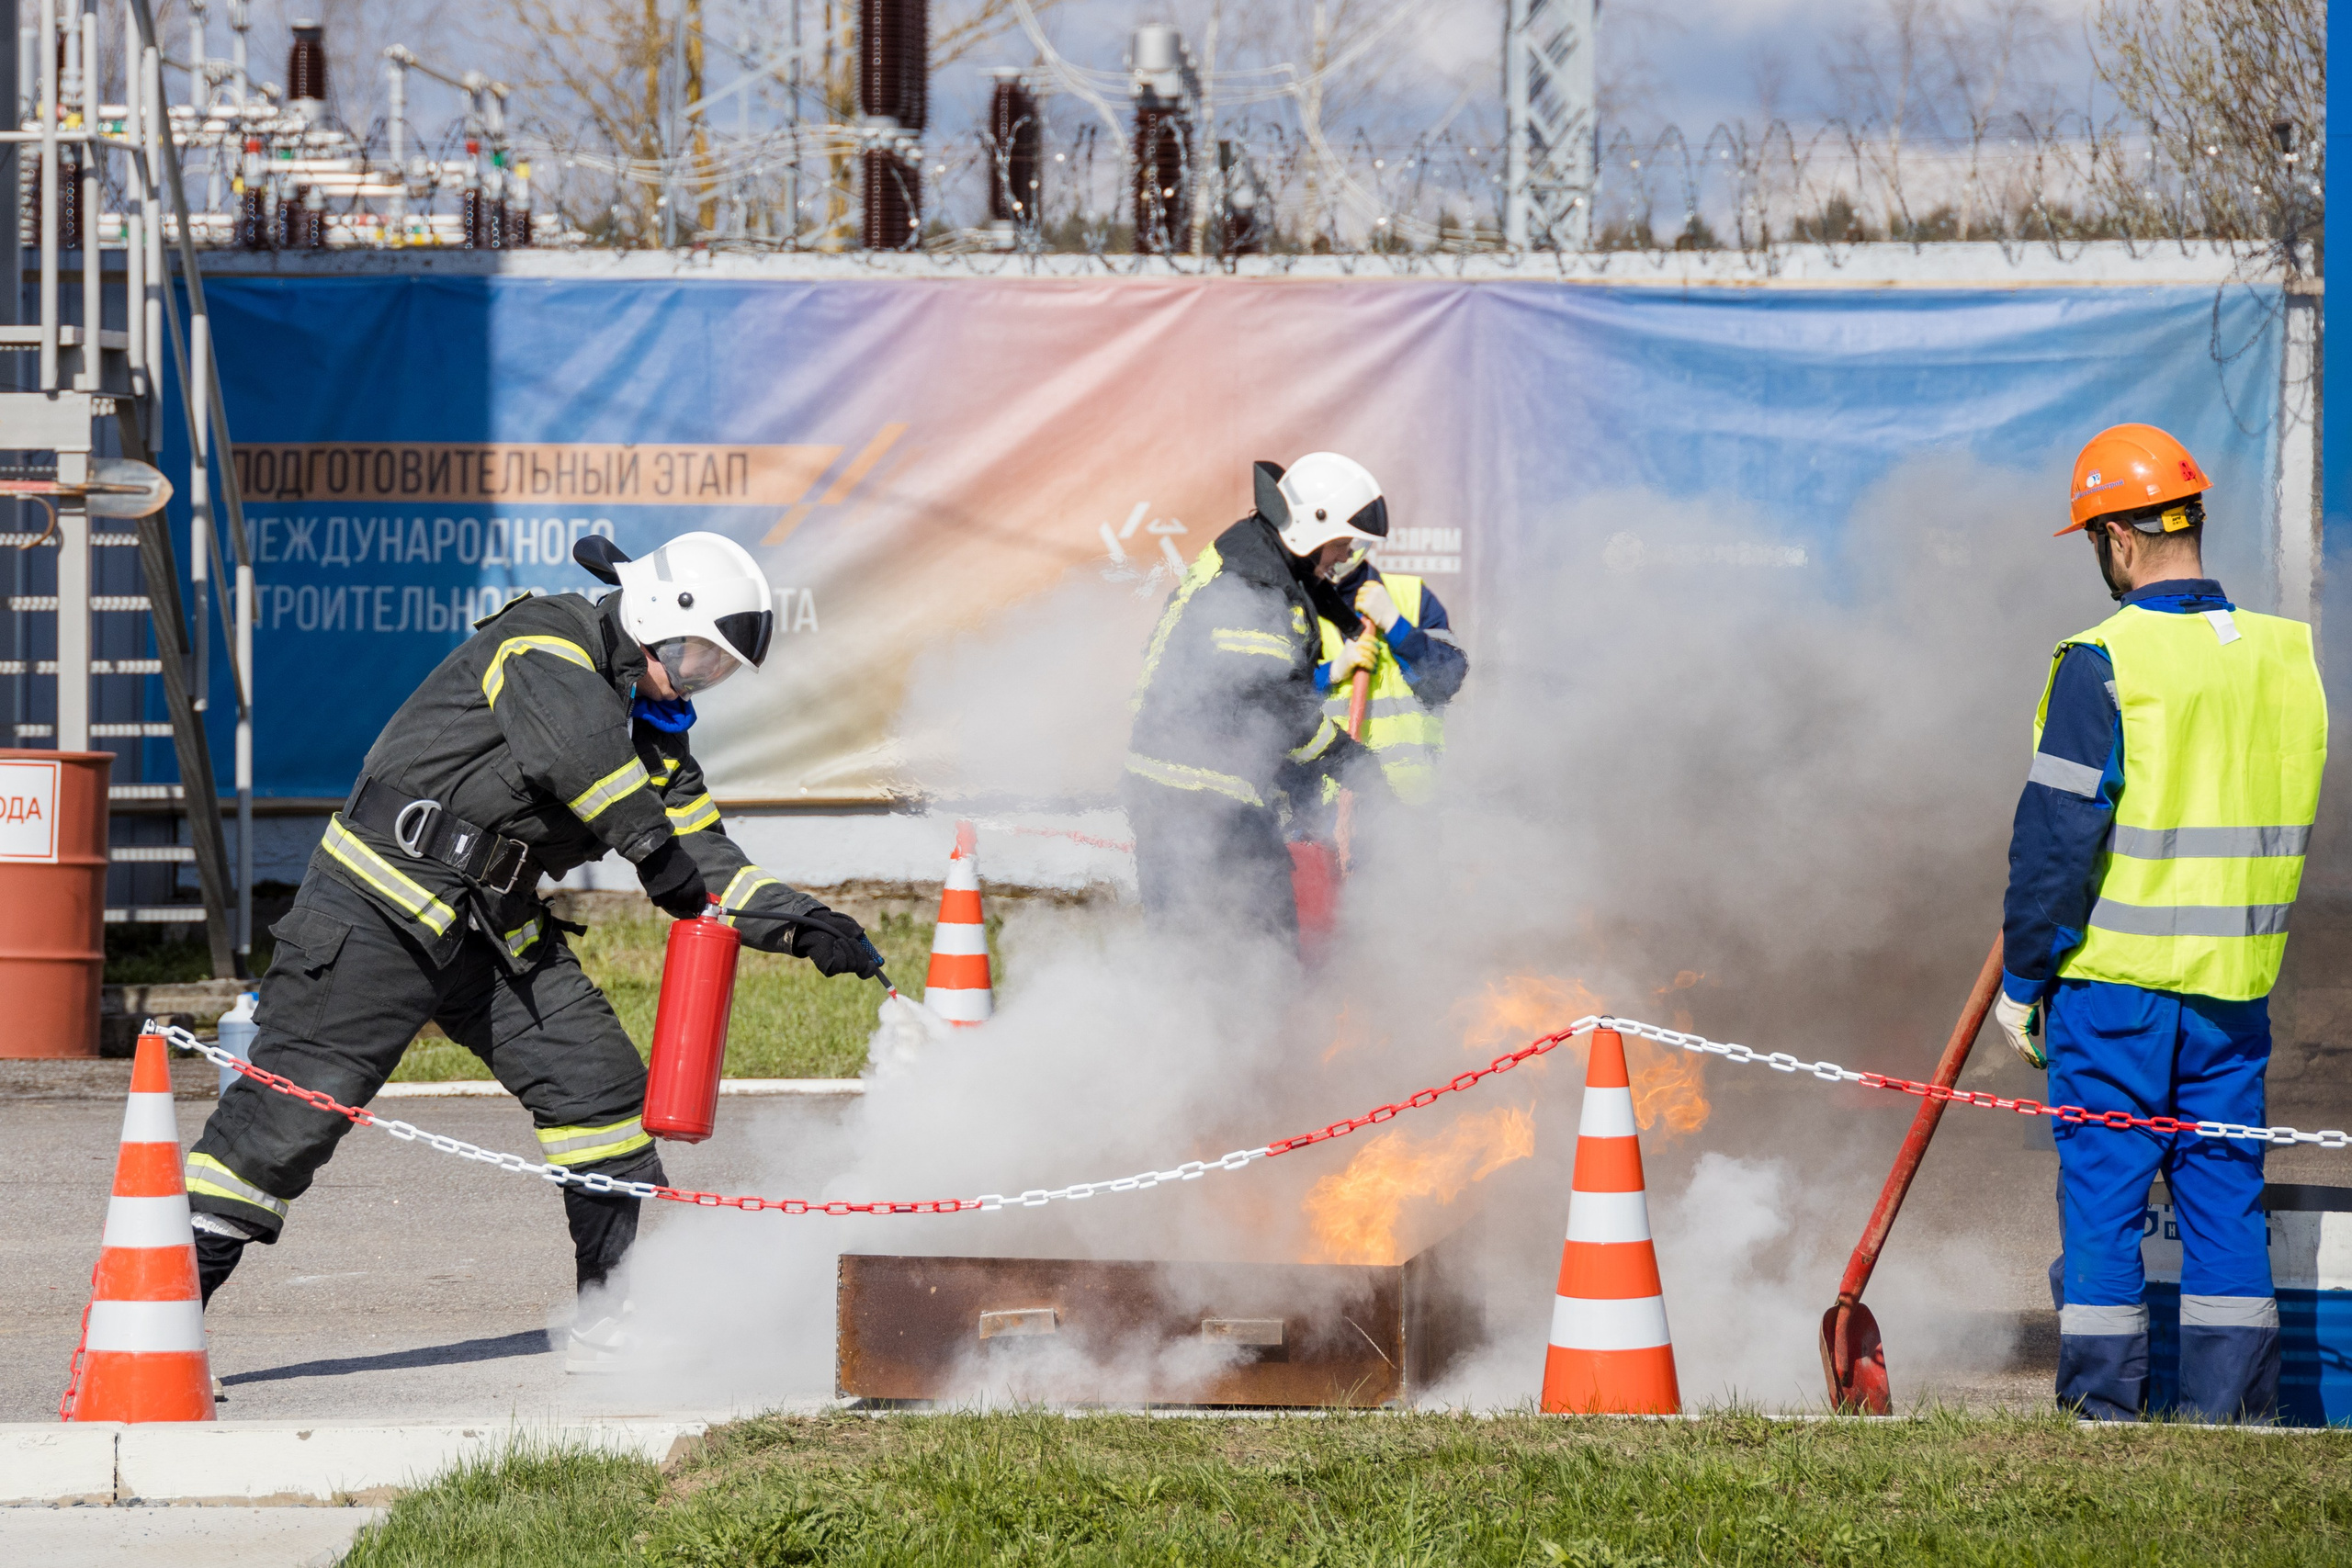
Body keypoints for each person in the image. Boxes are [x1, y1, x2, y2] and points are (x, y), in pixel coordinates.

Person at [184, 531, 881, 1371]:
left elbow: (706, 857)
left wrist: (801, 923)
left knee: (601, 1091)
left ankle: (604, 1319)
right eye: (699, 657)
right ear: (661, 614)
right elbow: (577, 753)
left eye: (717, 671)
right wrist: (653, 854)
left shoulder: (653, 732)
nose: (700, 680)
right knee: (286, 1122)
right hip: (376, 908)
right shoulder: (545, 640)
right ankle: (154, 1317)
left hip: (493, 927)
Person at [1994, 423, 2325, 1422]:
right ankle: (2229, 1421)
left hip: (2116, 993)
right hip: (2233, 994)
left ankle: (2105, 1417)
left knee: (2103, 1202)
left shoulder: (2103, 661)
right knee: (2223, 1202)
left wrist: (2021, 983)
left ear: (2117, 541)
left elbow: (2055, 846)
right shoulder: (2285, 657)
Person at [1125, 454, 1381, 945]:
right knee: (1252, 958)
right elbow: (1275, 706)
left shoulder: (1257, 558)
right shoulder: (1254, 581)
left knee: (1205, 965)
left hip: (1192, 794)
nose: (1344, 560)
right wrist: (1354, 764)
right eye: (1341, 546)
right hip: (1199, 799)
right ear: (1312, 528)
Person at [1316, 555, 1468, 807]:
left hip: (1408, 805)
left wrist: (1395, 624)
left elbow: (1445, 680)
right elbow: (1277, 697)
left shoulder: (1411, 596)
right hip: (1325, 808)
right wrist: (1330, 673)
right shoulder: (1299, 602)